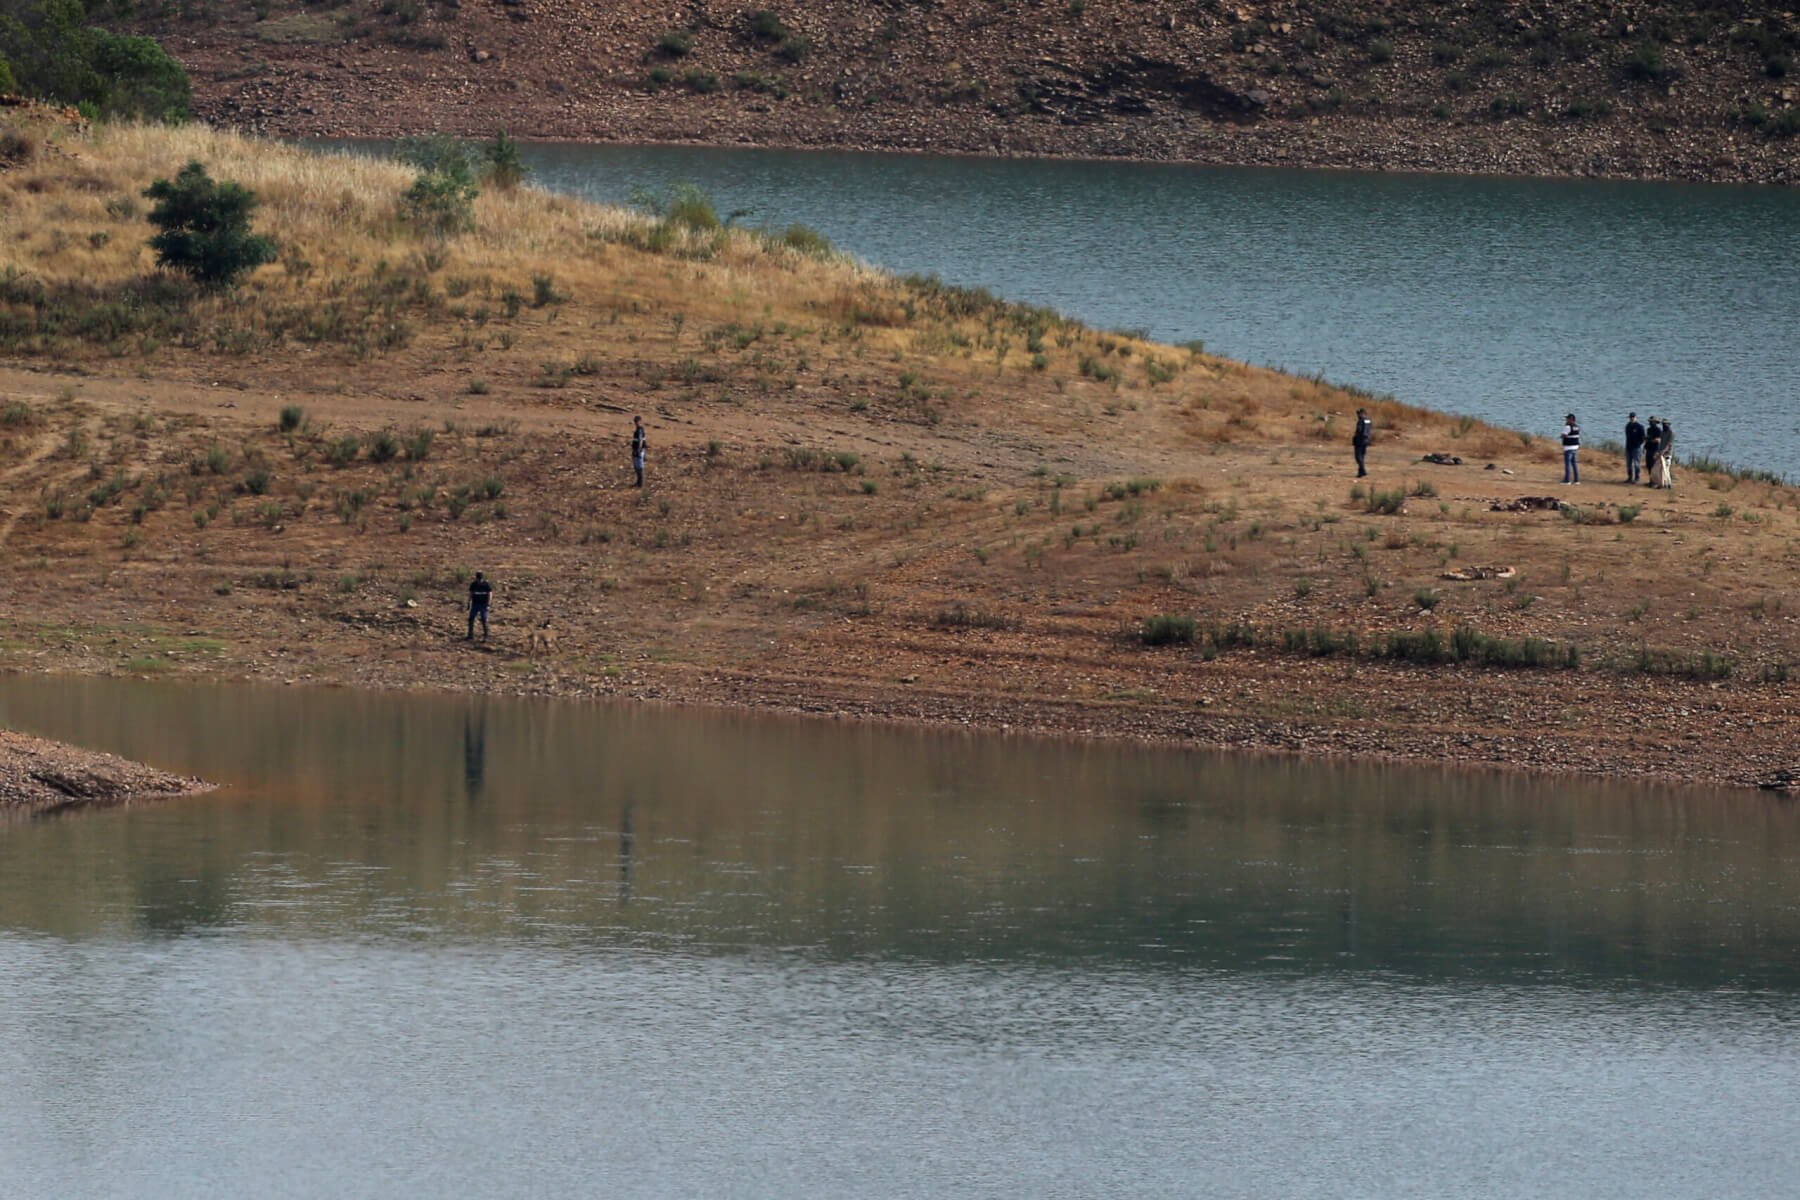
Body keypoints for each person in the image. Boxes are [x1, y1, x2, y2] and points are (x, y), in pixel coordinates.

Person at [466, 571, 492, 641]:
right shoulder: (473, 584)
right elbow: (471, 593)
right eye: (478, 579)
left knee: (484, 619)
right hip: (475, 604)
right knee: (471, 618)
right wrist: (468, 602)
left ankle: (486, 636)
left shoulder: (486, 585)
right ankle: (470, 635)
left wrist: (488, 604)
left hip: (483, 605)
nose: (479, 580)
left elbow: (490, 594)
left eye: (480, 579)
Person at [1624, 412, 1644, 484]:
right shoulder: (1628, 426)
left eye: (1633, 417)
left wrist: (1638, 444)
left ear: (1636, 418)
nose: (1632, 418)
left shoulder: (1639, 427)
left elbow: (1643, 438)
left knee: (1636, 463)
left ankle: (1637, 478)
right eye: (1630, 417)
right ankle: (1630, 477)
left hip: (1636, 448)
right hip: (1628, 447)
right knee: (1628, 463)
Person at [1560, 413, 1580, 484]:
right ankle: (1576, 480)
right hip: (1575, 447)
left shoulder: (1568, 427)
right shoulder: (1577, 427)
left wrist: (1565, 426)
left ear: (1571, 419)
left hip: (1568, 448)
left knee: (1567, 464)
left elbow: (1562, 436)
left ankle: (1567, 480)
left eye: (1568, 419)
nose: (1566, 420)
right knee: (1574, 464)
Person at [1352, 408, 1372, 477]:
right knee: (1362, 457)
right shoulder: (1369, 421)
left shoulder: (1360, 421)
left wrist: (1356, 436)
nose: (1357, 415)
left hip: (1359, 441)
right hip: (1366, 440)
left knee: (1358, 457)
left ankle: (1363, 471)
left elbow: (1359, 430)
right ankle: (1360, 473)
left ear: (1362, 414)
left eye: (1358, 413)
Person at [1644, 417, 1663, 487]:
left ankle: (1655, 482)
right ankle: (1651, 481)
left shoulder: (1658, 430)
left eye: (1652, 421)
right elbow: (1647, 439)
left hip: (1654, 450)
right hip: (1648, 449)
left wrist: (1651, 440)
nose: (1651, 423)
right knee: (1648, 465)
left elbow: (1658, 440)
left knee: (1653, 466)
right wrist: (1645, 446)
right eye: (1650, 421)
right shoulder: (1649, 429)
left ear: (1655, 422)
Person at [630, 416, 647, 488]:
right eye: (635, 421)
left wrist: (638, 450)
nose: (636, 423)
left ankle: (640, 484)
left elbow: (640, 440)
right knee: (636, 466)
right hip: (636, 450)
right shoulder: (638, 429)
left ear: (640, 421)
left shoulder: (640, 430)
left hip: (638, 450)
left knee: (639, 467)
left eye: (637, 421)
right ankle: (638, 482)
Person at [1658, 418, 1674, 489]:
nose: (1664, 425)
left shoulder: (1671, 433)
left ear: (1668, 424)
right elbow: (1661, 443)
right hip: (1662, 454)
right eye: (1663, 424)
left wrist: (1663, 451)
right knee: (1662, 470)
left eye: (1665, 424)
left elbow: (1669, 445)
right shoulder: (1662, 432)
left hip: (1667, 454)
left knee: (1666, 469)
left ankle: (1669, 484)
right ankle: (1664, 484)